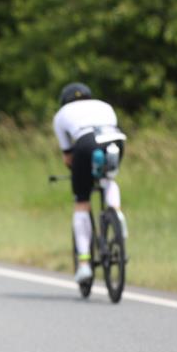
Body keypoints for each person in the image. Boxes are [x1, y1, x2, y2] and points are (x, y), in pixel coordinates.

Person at [53, 82, 127, 283]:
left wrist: (79, 175)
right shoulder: (104, 106)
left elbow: (68, 157)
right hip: (116, 139)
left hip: (85, 143)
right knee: (108, 178)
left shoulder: (61, 115)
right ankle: (116, 214)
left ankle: (84, 264)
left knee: (82, 200)